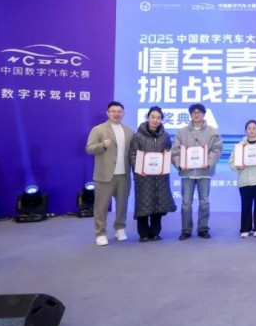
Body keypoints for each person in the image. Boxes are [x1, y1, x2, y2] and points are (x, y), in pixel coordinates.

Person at [85, 101, 134, 246]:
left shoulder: (129, 131)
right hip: (104, 175)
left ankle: (120, 228)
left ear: (123, 113)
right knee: (101, 206)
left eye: (119, 111)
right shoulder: (98, 129)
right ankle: (100, 233)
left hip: (124, 174)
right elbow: (89, 148)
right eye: (113, 111)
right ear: (107, 113)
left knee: (122, 204)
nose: (116, 114)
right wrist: (102, 145)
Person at [171, 103, 223, 240]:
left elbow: (217, 149)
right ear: (190, 115)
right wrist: (180, 165)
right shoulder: (181, 132)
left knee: (204, 201)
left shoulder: (212, 132)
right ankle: (186, 230)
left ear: (204, 114)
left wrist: (208, 163)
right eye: (194, 112)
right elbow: (175, 151)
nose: (196, 114)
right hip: (187, 173)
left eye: (199, 112)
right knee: (186, 203)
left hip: (205, 172)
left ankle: (203, 228)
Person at [128, 106, 176, 242]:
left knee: (158, 205)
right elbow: (132, 154)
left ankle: (155, 232)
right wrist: (139, 169)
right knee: (143, 205)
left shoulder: (165, 136)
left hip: (160, 177)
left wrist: (168, 157)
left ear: (161, 120)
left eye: (158, 118)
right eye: (153, 117)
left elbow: (169, 152)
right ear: (148, 118)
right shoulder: (138, 136)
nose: (155, 120)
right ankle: (143, 233)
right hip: (143, 176)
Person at [229, 120, 256, 239]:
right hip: (245, 180)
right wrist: (239, 167)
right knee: (246, 205)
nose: (252, 130)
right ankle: (245, 229)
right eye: (249, 128)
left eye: (254, 128)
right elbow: (231, 162)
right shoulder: (240, 146)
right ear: (246, 130)